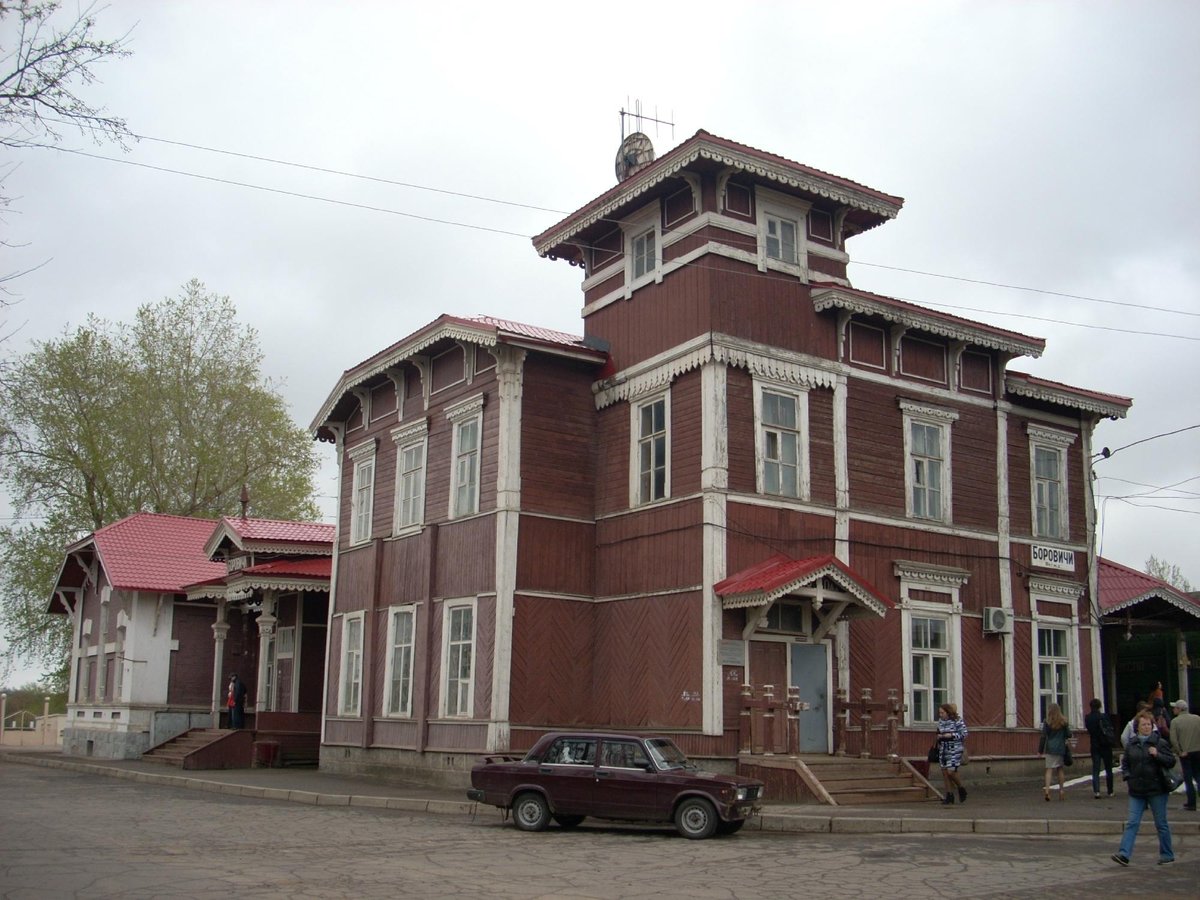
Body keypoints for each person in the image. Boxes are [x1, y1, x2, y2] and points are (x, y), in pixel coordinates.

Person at [1111, 710, 1176, 866]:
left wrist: (1157, 755)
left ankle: (1167, 853)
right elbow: (1125, 764)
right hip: (1137, 790)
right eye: (1143, 724)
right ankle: (1124, 854)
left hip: (1157, 789)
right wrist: (1128, 776)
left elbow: (1171, 761)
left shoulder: (1160, 743)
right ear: (1137, 727)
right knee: (1132, 822)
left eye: (1149, 724)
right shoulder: (1131, 745)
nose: (1147, 727)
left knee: (1161, 823)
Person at [1168, 699, 1199, 812]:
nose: (1173, 709)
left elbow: (1173, 739)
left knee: (1188, 778)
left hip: (1185, 753)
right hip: (1197, 751)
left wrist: (1179, 751)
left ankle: (1191, 803)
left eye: (1175, 707)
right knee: (1198, 775)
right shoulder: (1197, 718)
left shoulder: (1175, 722)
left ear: (1179, 709)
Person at [935, 702, 968, 805]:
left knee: (951, 771)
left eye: (942, 713)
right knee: (945, 773)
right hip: (943, 748)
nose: (941, 715)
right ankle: (949, 795)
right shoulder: (941, 722)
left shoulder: (957, 721)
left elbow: (964, 734)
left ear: (948, 712)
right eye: (939, 713)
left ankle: (961, 787)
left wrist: (951, 735)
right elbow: (938, 732)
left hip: (954, 748)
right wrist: (939, 737)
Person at [1039, 703, 1072, 801]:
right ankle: (1061, 790)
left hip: (1050, 748)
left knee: (1048, 770)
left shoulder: (1047, 722)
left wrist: (1040, 750)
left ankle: (1047, 791)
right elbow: (1069, 734)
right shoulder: (1063, 722)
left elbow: (1043, 736)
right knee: (1060, 769)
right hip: (1060, 748)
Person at [1084, 697, 1116, 799]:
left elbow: (1089, 730)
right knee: (1108, 768)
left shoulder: (1088, 718)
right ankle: (1110, 791)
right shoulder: (1103, 717)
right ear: (1100, 706)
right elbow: (1109, 729)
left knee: (1096, 768)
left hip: (1094, 744)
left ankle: (1096, 791)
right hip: (1105, 745)